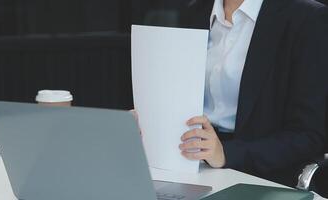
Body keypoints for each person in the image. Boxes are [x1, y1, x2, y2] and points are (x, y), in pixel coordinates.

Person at [136, 0, 328, 187]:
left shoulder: (307, 18)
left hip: (259, 174)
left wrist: (226, 154)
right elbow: (181, 95)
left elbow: (309, 135)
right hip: (190, 163)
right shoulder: (196, 11)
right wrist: (150, 120)